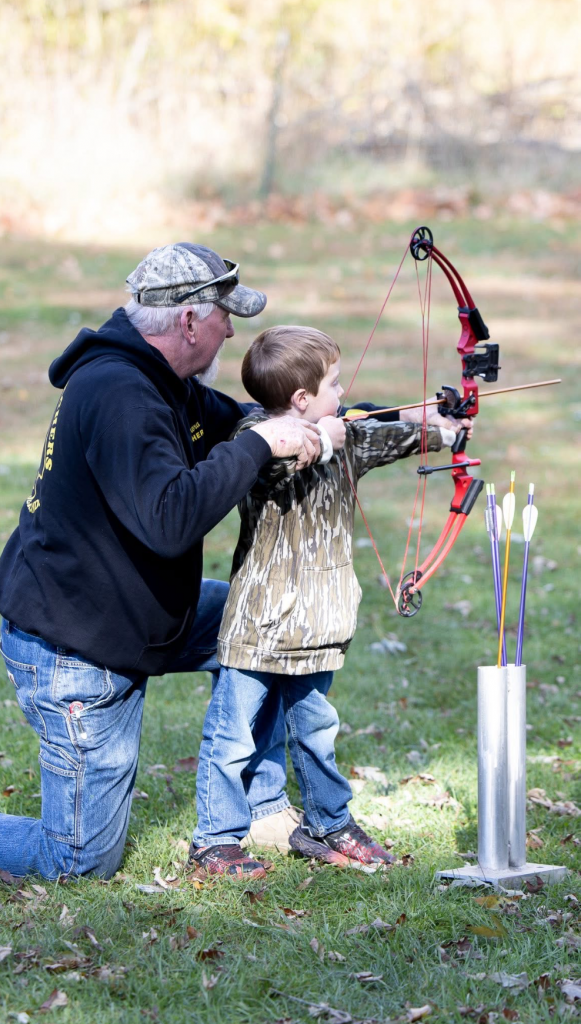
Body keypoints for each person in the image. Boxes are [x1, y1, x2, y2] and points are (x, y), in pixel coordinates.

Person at [0, 242, 468, 880]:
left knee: (262, 622)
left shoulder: (167, 382)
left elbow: (263, 418)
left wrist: (400, 418)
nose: (232, 329)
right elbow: (170, 517)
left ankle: (259, 807)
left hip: (138, 615)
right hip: (77, 650)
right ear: (189, 321)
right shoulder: (121, 394)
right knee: (78, 859)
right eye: (225, 316)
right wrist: (260, 445)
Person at [189, 325, 457, 878]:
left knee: (315, 729)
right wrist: (329, 437)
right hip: (260, 622)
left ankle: (329, 822)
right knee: (233, 735)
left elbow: (383, 433)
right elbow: (284, 460)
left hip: (320, 623)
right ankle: (214, 842)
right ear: (302, 400)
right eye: (334, 385)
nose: (343, 394)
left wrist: (442, 426)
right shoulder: (255, 438)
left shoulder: (343, 435)